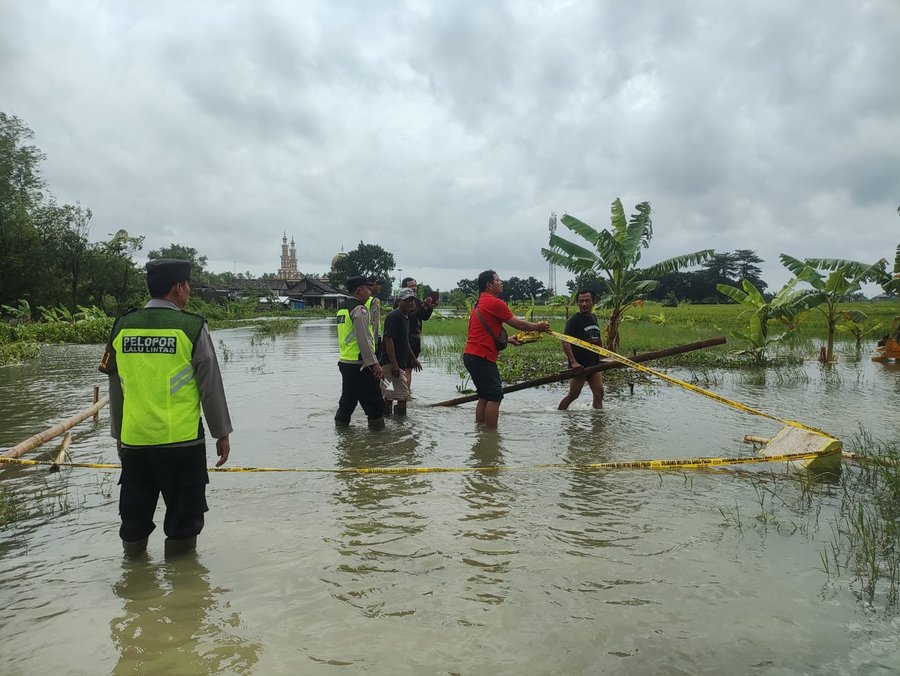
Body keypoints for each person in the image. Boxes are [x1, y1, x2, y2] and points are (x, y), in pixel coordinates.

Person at [98, 258, 232, 558]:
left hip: (135, 443)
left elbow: (115, 388)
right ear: (178, 287)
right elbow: (210, 386)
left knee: (133, 517)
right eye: (188, 287)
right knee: (184, 520)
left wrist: (118, 433)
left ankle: (135, 586)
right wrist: (221, 433)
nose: (188, 293)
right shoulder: (191, 326)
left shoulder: (123, 326)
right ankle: (184, 590)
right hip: (181, 444)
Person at [463, 269, 550, 428]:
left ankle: (480, 430)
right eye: (497, 280)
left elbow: (480, 333)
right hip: (482, 357)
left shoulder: (478, 304)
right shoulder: (495, 302)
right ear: (489, 285)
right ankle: (490, 436)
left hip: (471, 355)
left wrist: (508, 340)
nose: (501, 282)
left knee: (484, 395)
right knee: (495, 396)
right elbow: (518, 324)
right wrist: (538, 326)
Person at [335, 276, 385, 429]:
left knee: (348, 400)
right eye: (367, 288)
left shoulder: (343, 308)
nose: (370, 292)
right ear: (359, 290)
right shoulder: (359, 309)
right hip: (360, 364)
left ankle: (341, 435)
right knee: (375, 403)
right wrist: (374, 364)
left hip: (345, 361)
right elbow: (364, 340)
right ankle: (378, 440)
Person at [557, 289, 605, 410]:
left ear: (593, 302)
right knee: (573, 395)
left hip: (594, 364)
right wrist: (573, 362)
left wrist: (603, 354)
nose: (584, 304)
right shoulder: (574, 321)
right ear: (577, 303)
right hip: (580, 366)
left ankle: (598, 422)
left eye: (587, 301)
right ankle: (560, 413)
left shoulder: (593, 317)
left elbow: (598, 338)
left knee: (599, 394)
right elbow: (565, 341)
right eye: (581, 301)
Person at [379, 288, 421, 415]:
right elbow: (388, 339)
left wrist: (413, 358)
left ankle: (389, 425)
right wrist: (394, 364)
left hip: (398, 364)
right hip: (390, 364)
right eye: (407, 300)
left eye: (412, 300)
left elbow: (405, 342)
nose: (410, 303)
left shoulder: (406, 317)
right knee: (402, 396)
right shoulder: (394, 316)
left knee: (390, 395)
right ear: (398, 301)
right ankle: (400, 428)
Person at [400, 276, 437, 390]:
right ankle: (404, 395)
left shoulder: (416, 300)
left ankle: (406, 395)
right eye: (411, 286)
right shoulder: (402, 302)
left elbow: (423, 316)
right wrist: (424, 306)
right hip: (407, 337)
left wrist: (430, 307)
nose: (414, 288)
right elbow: (411, 316)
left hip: (416, 338)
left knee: (409, 369)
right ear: (404, 288)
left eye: (415, 286)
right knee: (406, 369)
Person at [364, 276, 383, 354]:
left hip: (364, 335)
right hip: (373, 336)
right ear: (371, 285)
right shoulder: (375, 300)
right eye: (378, 284)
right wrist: (375, 342)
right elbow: (375, 322)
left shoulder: (362, 299)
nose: (380, 286)